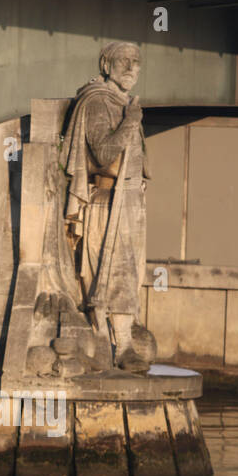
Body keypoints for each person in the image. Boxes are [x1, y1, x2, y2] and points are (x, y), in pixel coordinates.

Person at [59, 42, 157, 371]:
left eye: (136, 62)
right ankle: (107, 342)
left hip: (130, 200)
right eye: (123, 61)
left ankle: (123, 343)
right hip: (107, 201)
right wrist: (130, 121)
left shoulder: (124, 102)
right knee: (108, 272)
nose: (130, 68)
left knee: (129, 273)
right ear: (106, 64)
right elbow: (103, 153)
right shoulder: (98, 101)